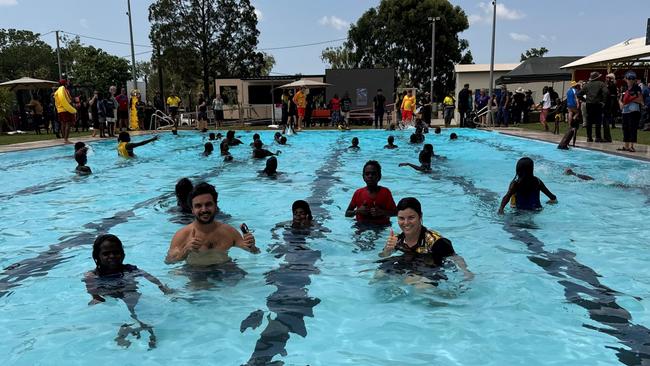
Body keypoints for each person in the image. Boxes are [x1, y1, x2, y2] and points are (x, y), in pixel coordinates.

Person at [84, 234, 171, 349]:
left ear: (123, 254)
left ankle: (138, 328)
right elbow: (92, 291)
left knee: (133, 308)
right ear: (97, 256)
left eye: (116, 252)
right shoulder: (92, 275)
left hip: (130, 293)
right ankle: (133, 329)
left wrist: (162, 287)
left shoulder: (129, 269)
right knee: (126, 312)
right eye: (106, 253)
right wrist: (96, 298)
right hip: (110, 295)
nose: (112, 256)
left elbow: (148, 276)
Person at [165, 182, 259, 266]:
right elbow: (169, 261)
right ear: (192, 210)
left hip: (225, 268)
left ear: (215, 205)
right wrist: (185, 251)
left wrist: (252, 246)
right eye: (198, 206)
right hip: (196, 272)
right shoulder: (182, 235)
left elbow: (254, 252)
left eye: (208, 204)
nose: (204, 210)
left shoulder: (229, 232)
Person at [379, 197, 472, 276]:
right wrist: (388, 250)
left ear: (420, 216)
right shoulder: (397, 240)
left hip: (431, 268)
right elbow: (382, 255)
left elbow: (456, 258)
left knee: (419, 286)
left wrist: (466, 273)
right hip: (409, 263)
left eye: (411, 217)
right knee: (379, 274)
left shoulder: (437, 242)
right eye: (401, 218)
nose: (406, 223)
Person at [345, 160, 397, 225]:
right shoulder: (358, 193)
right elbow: (347, 214)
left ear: (379, 176)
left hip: (381, 226)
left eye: (373, 174)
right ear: (363, 177)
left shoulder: (385, 192)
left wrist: (382, 212)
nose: (370, 176)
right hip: (361, 225)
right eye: (367, 174)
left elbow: (396, 213)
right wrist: (357, 211)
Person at [578, 72, 609, 142]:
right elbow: (606, 92)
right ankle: (598, 137)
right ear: (598, 77)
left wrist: (585, 100)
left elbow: (579, 94)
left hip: (589, 104)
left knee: (589, 121)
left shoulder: (587, 85)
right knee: (598, 121)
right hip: (598, 104)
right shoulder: (601, 84)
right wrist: (603, 101)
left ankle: (589, 137)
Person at [618, 71, 643, 152]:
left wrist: (630, 99)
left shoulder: (637, 88)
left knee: (632, 128)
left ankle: (632, 146)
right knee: (625, 128)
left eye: (632, 79)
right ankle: (626, 146)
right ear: (626, 79)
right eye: (629, 78)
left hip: (633, 110)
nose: (630, 80)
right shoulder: (624, 88)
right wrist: (621, 103)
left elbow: (640, 100)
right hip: (625, 111)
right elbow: (620, 99)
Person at [54, 79, 77, 144]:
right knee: (68, 123)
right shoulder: (64, 90)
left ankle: (64, 138)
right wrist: (72, 107)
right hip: (66, 109)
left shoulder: (57, 91)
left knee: (63, 124)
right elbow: (69, 100)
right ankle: (66, 139)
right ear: (65, 84)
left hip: (59, 110)